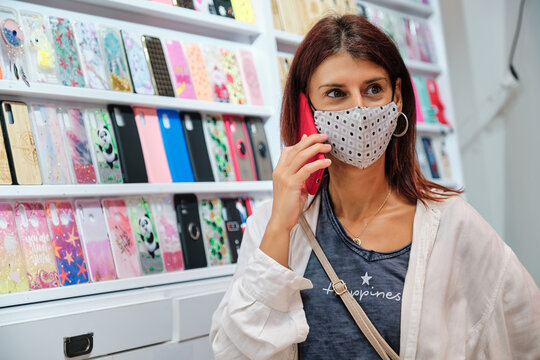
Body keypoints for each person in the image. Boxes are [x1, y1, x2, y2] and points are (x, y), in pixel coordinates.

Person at [210, 14, 540, 359]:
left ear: (396, 96)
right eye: (336, 93)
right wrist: (279, 225)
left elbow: (525, 334)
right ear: (306, 108)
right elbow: (233, 351)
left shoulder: (454, 225)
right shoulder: (271, 225)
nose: (359, 109)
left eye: (373, 89)